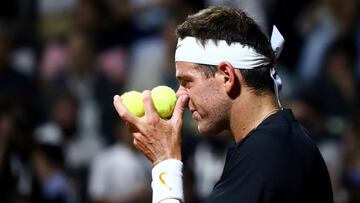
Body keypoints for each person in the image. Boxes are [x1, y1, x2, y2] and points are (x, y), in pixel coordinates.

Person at [113, 6, 334, 203]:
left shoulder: (265, 153)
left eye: (187, 81)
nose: (181, 96)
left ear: (227, 76)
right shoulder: (279, 143)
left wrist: (165, 163)